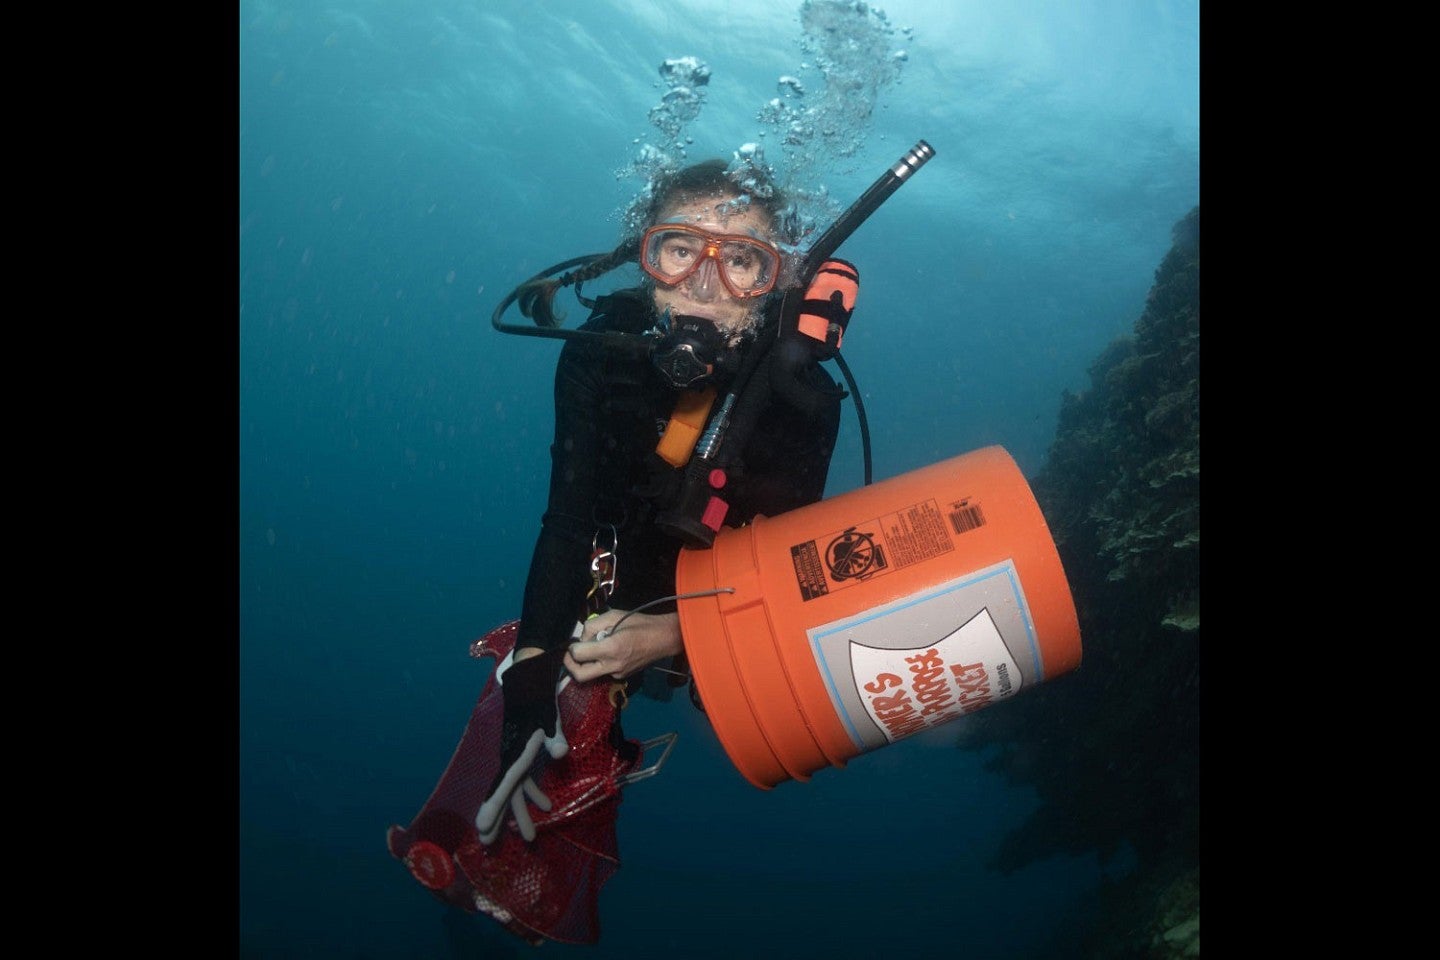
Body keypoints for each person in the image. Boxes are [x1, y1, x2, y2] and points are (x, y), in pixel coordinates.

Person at [474, 158, 850, 845]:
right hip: (611, 576)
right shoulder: (597, 354)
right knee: (546, 724)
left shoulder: (803, 400)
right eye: (679, 249)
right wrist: (530, 670)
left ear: (776, 284)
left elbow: (795, 573)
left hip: (722, 597)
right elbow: (567, 519)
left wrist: (679, 636)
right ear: (646, 258)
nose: (704, 285)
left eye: (742, 260)